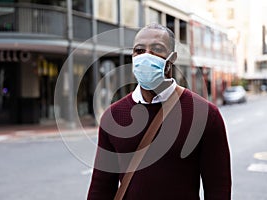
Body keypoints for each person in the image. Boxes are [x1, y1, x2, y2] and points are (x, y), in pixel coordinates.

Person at [87, 23, 231, 200]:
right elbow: (101, 188)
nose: (146, 56)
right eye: (139, 51)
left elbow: (218, 188)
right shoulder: (113, 116)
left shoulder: (205, 114)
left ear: (172, 58)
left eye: (157, 49)